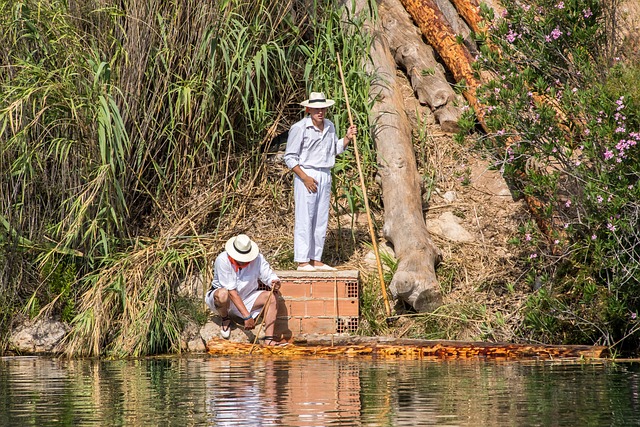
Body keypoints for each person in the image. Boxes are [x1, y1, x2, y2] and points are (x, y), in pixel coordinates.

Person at [284, 91, 357, 272]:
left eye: (323, 108)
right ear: (308, 109)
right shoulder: (300, 128)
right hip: (307, 174)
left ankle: (316, 259)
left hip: (325, 173)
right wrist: (305, 177)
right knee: (305, 217)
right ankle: (302, 261)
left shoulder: (330, 126)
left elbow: (333, 149)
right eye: (316, 109)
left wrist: (347, 138)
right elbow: (290, 158)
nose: (320, 112)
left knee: (321, 218)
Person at [205, 234, 284, 346]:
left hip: (246, 298)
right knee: (223, 294)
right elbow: (231, 292)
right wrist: (247, 316)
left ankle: (269, 339)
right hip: (225, 302)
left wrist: (274, 282)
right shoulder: (222, 260)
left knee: (271, 297)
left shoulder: (258, 258)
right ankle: (225, 318)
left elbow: (268, 275)